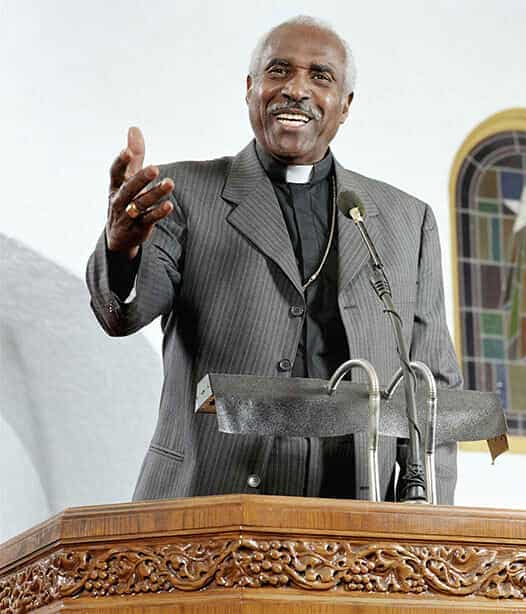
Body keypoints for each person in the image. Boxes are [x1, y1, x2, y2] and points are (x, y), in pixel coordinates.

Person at [86, 16, 462, 504]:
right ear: (250, 88)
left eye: (320, 76)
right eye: (278, 71)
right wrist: (122, 249)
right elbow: (122, 314)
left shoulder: (405, 220)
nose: (296, 90)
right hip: (205, 504)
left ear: (345, 105)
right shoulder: (181, 195)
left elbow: (433, 388)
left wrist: (428, 515)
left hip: (354, 513)